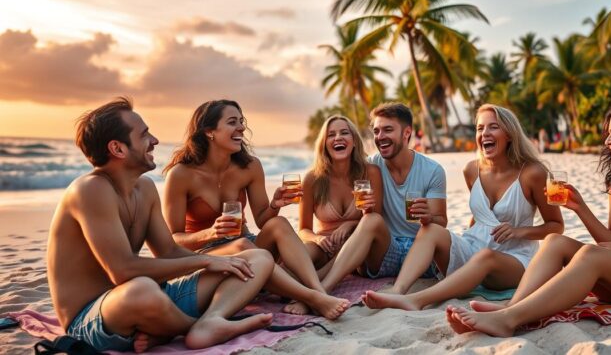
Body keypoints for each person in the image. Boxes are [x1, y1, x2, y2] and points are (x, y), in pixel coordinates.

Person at [446, 102, 611, 337]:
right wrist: (580, 208)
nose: (607, 141)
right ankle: (513, 307)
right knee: (555, 241)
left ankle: (508, 320)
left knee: (591, 255)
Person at [47, 98, 275, 353]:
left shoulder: (145, 187)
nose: (154, 140)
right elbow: (123, 271)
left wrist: (219, 261)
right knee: (141, 290)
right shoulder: (90, 189)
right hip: (93, 318)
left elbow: (168, 251)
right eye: (144, 135)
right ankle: (194, 327)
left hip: (154, 298)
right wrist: (205, 261)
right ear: (118, 148)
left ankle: (206, 321)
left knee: (257, 258)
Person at [362, 104, 564, 310]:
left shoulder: (533, 173)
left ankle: (417, 300)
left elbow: (556, 226)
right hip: (473, 248)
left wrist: (518, 231)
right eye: (480, 128)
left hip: (515, 258)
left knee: (485, 257)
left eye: (493, 127)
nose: (485, 133)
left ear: (509, 134)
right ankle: (398, 290)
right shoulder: (472, 170)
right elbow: (481, 216)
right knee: (430, 229)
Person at [162, 100, 348, 319]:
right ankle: (311, 297)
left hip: (249, 244)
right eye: (232, 122)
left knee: (278, 224)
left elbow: (262, 220)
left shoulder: (249, 166)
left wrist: (274, 205)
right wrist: (211, 233)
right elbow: (172, 241)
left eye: (241, 121)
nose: (241, 127)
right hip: (206, 254)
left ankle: (318, 291)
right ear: (209, 131)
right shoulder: (181, 175)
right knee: (241, 245)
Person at [325, 102, 447, 282]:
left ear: (406, 133)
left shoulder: (432, 170)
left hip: (420, 250)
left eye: (387, 130)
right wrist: (358, 216)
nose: (380, 137)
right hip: (385, 250)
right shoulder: (371, 166)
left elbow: (442, 221)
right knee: (371, 219)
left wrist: (429, 218)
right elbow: (339, 174)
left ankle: (322, 282)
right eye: (376, 131)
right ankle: (324, 286)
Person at [297, 115, 383, 294]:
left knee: (369, 223)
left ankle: (319, 284)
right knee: (297, 259)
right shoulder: (312, 179)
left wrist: (350, 224)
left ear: (354, 141)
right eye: (331, 135)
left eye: (344, 133)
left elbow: (376, 220)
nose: (338, 138)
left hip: (360, 249)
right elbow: (303, 229)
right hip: (325, 246)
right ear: (324, 144)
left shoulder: (370, 173)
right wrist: (317, 239)